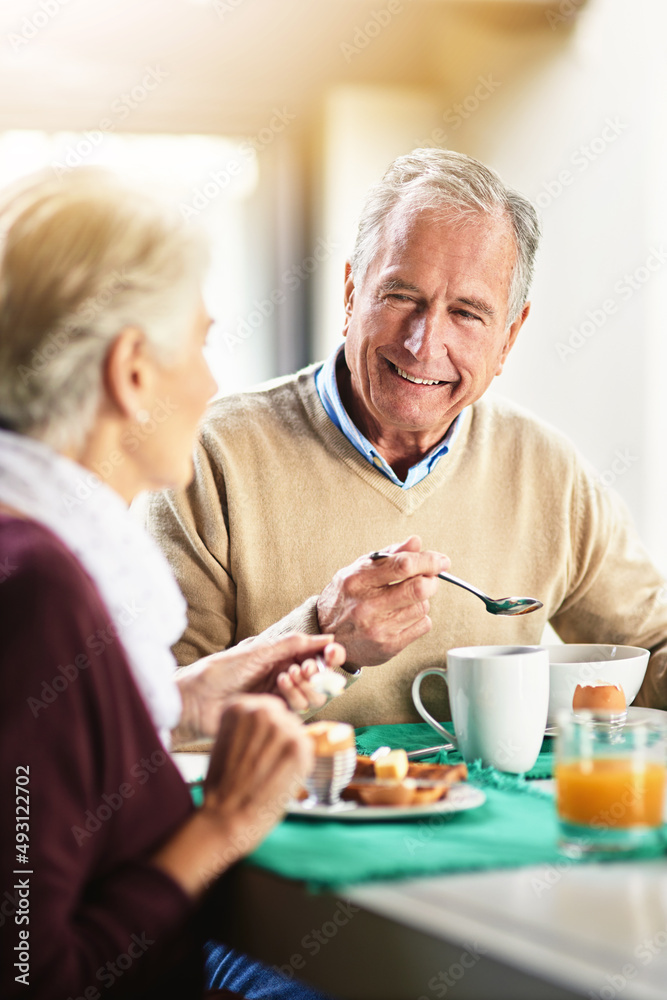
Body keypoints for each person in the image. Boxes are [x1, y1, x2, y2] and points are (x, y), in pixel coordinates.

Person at [142, 147, 667, 726]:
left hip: (495, 814)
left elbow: (652, 646)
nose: (422, 343)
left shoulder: (547, 472)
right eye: (401, 296)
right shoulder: (210, 456)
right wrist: (322, 637)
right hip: (288, 814)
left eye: (467, 313)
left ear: (509, 338)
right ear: (350, 293)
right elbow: (154, 725)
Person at [0, 168, 342, 999]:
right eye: (198, 342)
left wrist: (183, 699)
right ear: (133, 374)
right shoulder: (42, 588)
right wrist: (221, 825)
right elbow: (26, 972)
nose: (212, 382)